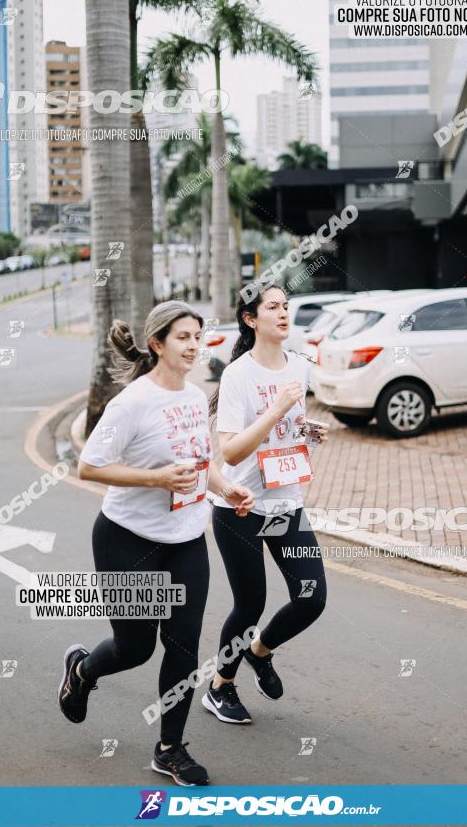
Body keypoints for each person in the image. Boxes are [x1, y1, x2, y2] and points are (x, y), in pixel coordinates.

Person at [57, 301, 254, 786]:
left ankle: (170, 748)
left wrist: (226, 487)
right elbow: (89, 466)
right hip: (128, 541)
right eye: (184, 337)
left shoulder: (192, 397)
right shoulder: (132, 402)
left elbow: (200, 462)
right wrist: (155, 479)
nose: (195, 345)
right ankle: (82, 671)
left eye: (199, 335)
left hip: (186, 539)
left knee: (184, 646)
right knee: (136, 647)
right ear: (157, 344)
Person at [203, 285, 328, 725]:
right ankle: (220, 686)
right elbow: (232, 453)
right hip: (240, 509)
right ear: (251, 319)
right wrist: (276, 410)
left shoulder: (299, 365)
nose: (283, 312)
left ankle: (259, 652)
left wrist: (306, 429)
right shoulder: (238, 375)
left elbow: (287, 427)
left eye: (286, 305)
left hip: (286, 503)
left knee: (312, 598)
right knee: (249, 605)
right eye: (272, 307)